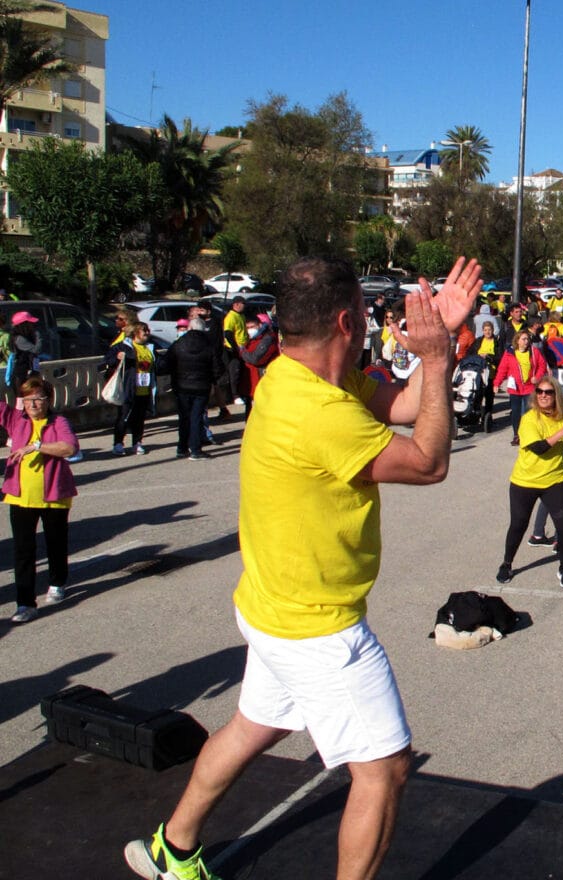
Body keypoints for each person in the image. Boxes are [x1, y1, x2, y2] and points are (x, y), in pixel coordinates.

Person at [123, 256, 483, 880]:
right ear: (347, 321)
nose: (376, 324)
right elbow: (429, 461)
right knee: (385, 770)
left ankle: (171, 849)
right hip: (317, 628)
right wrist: (435, 359)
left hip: (271, 607)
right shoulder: (318, 411)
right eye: (369, 316)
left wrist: (441, 343)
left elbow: (400, 405)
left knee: (249, 727)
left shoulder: (304, 378)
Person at [496, 375, 563, 588]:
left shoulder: (561, 418)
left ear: (555, 395)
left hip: (555, 480)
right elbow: (539, 448)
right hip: (525, 481)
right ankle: (507, 563)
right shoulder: (529, 419)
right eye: (539, 391)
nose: (543, 395)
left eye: (548, 392)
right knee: (518, 525)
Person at [2, 375, 79, 623]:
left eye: (39, 399)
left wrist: (36, 447)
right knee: (23, 551)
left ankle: (57, 582)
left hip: (54, 495)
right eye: (28, 399)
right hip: (21, 497)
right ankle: (25, 603)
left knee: (55, 543)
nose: (33, 404)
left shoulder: (58, 422)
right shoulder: (16, 420)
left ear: (48, 400)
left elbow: (70, 448)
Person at [163, 317, 221, 460]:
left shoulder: (179, 343)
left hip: (181, 385)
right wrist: (212, 380)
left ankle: (182, 448)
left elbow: (166, 363)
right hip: (201, 386)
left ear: (189, 327)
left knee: (184, 417)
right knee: (196, 417)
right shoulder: (209, 344)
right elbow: (218, 367)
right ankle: (195, 449)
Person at [103, 322, 157, 455]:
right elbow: (107, 360)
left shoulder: (150, 347)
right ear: (135, 332)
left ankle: (137, 442)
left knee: (139, 418)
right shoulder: (123, 347)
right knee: (123, 417)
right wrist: (117, 357)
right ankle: (118, 443)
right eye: (144, 330)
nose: (147, 333)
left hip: (144, 388)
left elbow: (159, 364)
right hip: (128, 388)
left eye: (148, 330)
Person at [493, 329, 548, 446]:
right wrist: (496, 383)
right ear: (517, 341)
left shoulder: (534, 352)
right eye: (523, 339)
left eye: (527, 339)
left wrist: (537, 377)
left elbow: (542, 366)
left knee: (528, 413)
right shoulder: (509, 353)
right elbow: (502, 369)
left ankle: (528, 434)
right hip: (515, 388)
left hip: (529, 387)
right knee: (516, 413)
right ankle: (516, 435)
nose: (526, 341)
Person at [221, 296, 249, 408]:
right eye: (243, 303)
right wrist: (235, 347)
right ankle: (234, 395)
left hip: (243, 347)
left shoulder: (241, 315)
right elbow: (227, 333)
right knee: (234, 372)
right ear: (236, 304)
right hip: (233, 349)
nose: (244, 306)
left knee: (240, 372)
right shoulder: (231, 317)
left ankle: (241, 392)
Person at [5, 309, 41, 394]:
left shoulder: (28, 337)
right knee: (21, 402)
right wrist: (38, 336)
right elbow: (36, 350)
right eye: (30, 323)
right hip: (21, 376)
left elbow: (35, 357)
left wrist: (36, 371)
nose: (33, 325)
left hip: (30, 374)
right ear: (23, 325)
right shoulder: (18, 339)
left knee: (33, 398)